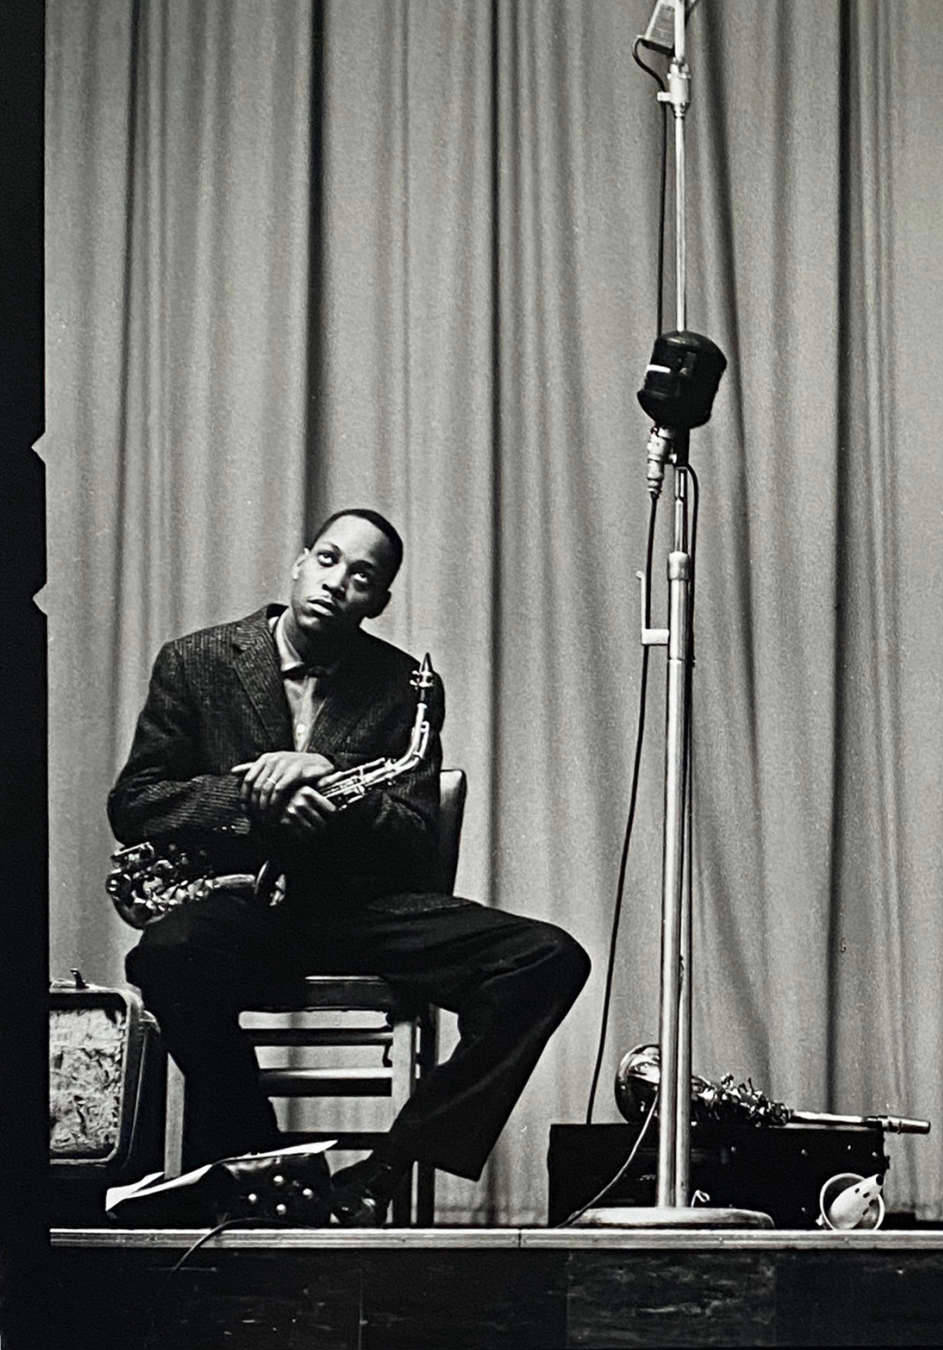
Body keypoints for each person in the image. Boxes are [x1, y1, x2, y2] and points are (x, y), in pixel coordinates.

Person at [109, 508, 590, 1224]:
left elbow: (416, 840)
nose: (338, 583)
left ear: (378, 601)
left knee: (550, 958)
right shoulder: (196, 661)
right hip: (242, 906)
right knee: (168, 956)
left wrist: (332, 787)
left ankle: (382, 1174)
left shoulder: (407, 686)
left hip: (360, 908)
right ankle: (260, 1162)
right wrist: (252, 798)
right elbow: (138, 803)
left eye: (362, 576)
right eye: (330, 560)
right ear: (300, 563)